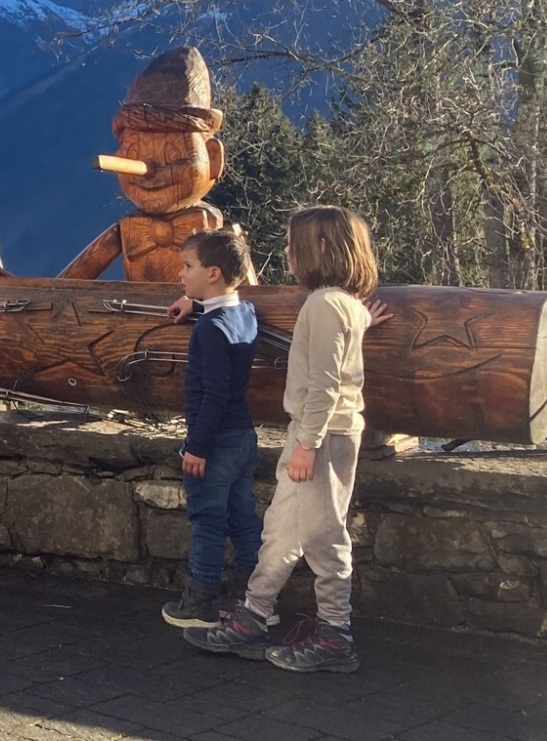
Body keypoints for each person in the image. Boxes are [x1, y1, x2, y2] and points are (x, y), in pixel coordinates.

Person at [187, 206, 385, 673]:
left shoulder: (323, 304)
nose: (287, 252)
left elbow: (326, 384)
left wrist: (307, 444)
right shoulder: (344, 304)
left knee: (324, 536)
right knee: (281, 530)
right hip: (320, 433)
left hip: (322, 435)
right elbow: (340, 353)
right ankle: (253, 616)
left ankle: (336, 634)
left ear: (318, 249)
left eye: (293, 244)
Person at [160, 230, 261, 629]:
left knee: (207, 520)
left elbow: (215, 395)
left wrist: (196, 447)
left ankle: (199, 604)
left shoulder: (210, 330)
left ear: (213, 273)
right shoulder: (245, 314)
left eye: (188, 267)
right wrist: (195, 303)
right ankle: (256, 604)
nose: (181, 275)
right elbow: (228, 309)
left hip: (214, 442)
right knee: (243, 519)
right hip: (244, 438)